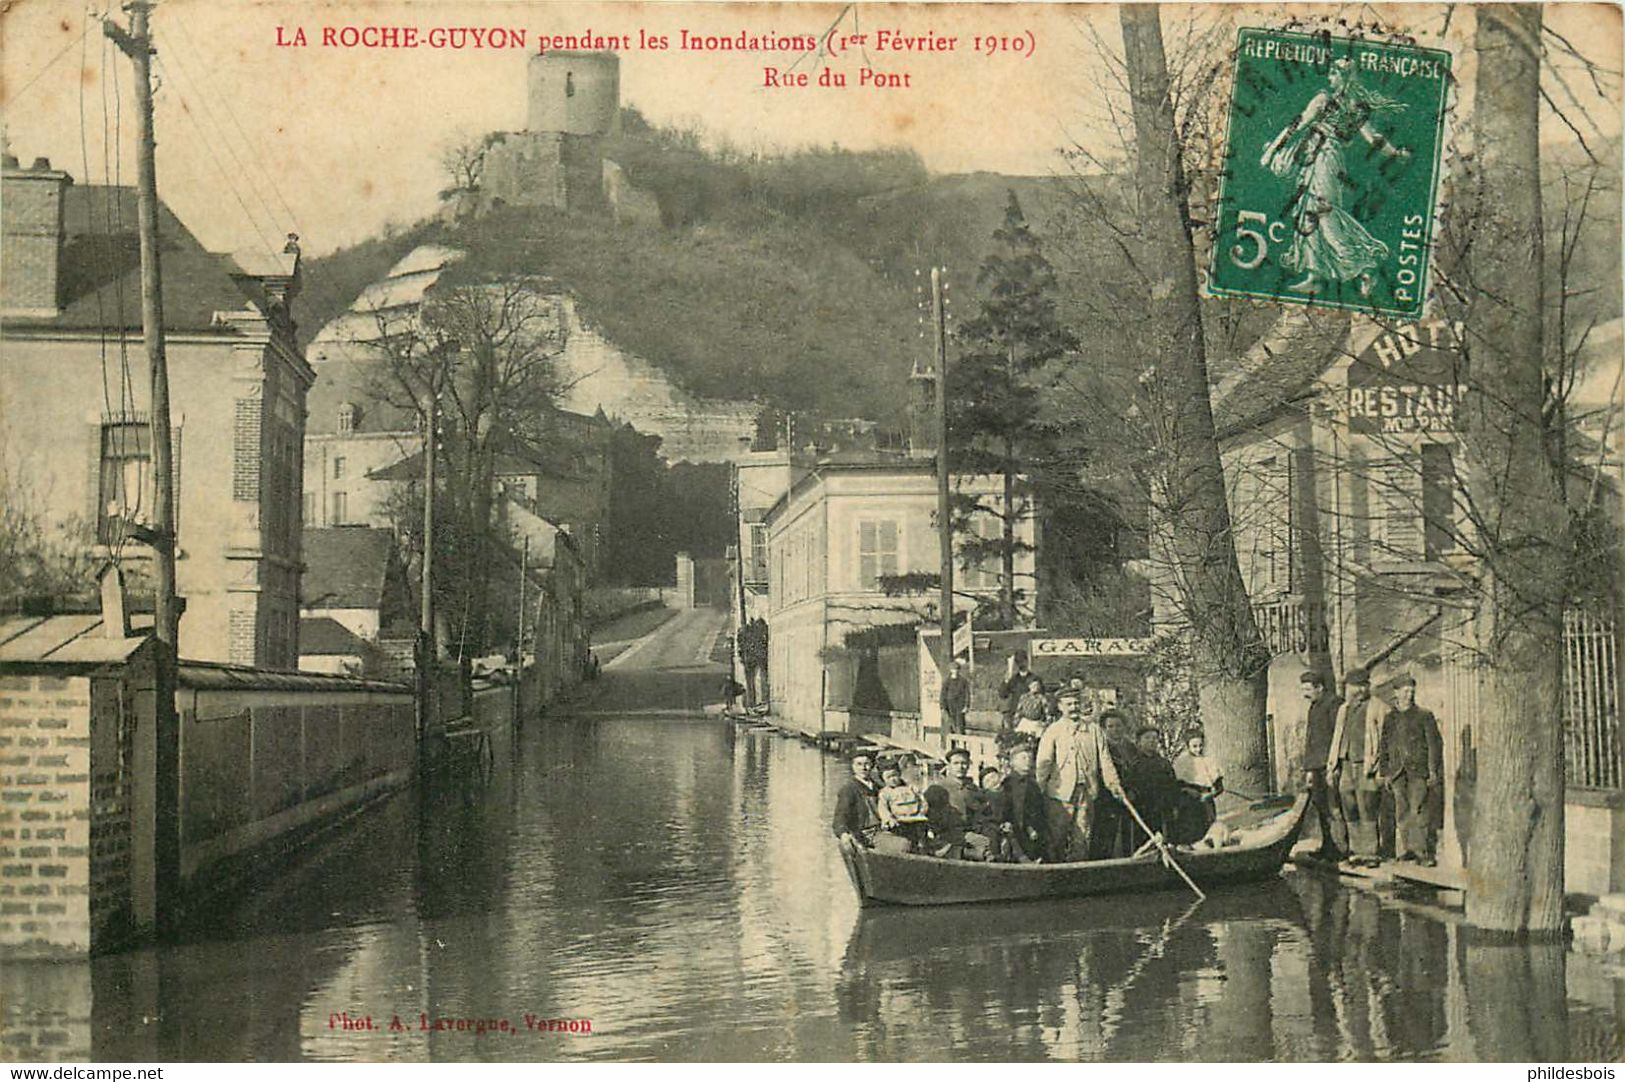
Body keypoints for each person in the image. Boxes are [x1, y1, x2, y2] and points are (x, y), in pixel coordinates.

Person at [1258, 56, 1412, 297]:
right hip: (1320, 156)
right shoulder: (1353, 106)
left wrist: (1272, 149)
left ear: (1343, 77)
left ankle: (1365, 266)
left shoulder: (1329, 101)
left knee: (1324, 211)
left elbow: (1297, 125)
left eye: (1333, 74)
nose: (1329, 78)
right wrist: (1395, 152)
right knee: (1308, 210)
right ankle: (1314, 276)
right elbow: (1374, 139)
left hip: (1323, 156)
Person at [1034, 687, 1130, 862]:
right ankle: (1054, 873)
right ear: (1060, 707)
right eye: (1069, 704)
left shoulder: (1093, 730)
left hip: (1086, 792)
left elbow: (1105, 762)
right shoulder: (1053, 731)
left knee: (1083, 835)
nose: (1074, 707)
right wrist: (1038, 790)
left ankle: (1076, 873)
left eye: (1076, 703)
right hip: (1059, 793)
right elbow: (1044, 763)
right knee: (1057, 836)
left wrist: (1114, 785)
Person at [1375, 674, 1443, 866]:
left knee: (1419, 810)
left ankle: (1423, 853)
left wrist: (1432, 771)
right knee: (1402, 811)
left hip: (1418, 771)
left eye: (1411, 691)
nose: (1408, 694)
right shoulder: (1390, 718)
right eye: (1405, 691)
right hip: (1397, 772)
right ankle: (1408, 850)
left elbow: (1434, 745)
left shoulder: (1424, 715)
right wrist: (1385, 772)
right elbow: (1384, 745)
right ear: (1396, 693)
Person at [1325, 667, 1385, 867]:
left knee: (1367, 806)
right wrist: (1333, 764)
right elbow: (1337, 737)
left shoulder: (1377, 707)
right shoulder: (1344, 709)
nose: (1357, 690)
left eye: (1361, 685)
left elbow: (1385, 740)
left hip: (1366, 764)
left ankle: (1370, 853)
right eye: (1353, 686)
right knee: (1349, 806)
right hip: (1346, 763)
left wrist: (1380, 768)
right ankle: (1355, 851)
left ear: (1368, 686)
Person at [1299, 670, 1346, 862]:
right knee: (1321, 807)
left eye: (1308, 689)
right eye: (1303, 689)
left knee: (1334, 807)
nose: (1305, 693)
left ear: (1320, 688)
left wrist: (1333, 765)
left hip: (1329, 764)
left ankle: (1341, 849)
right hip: (1316, 766)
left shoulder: (1334, 704)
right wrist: (1309, 769)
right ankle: (1328, 846)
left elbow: (1338, 736)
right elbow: (1311, 740)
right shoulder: (1314, 705)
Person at [998, 743, 1048, 863]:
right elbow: (1008, 809)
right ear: (1013, 762)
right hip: (1017, 830)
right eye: (1023, 758)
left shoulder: (1033, 784)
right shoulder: (1009, 783)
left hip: (1034, 829)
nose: (1028, 761)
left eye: (1030, 758)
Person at [877, 759, 931, 852]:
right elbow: (883, 808)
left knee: (922, 838)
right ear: (883, 779)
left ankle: (925, 850)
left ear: (899, 774)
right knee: (903, 840)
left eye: (895, 775)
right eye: (888, 777)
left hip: (916, 818)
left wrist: (922, 811)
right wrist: (888, 819)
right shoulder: (885, 793)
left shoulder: (910, 787)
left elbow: (922, 801)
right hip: (899, 821)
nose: (893, 779)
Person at [831, 751, 880, 847]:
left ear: (872, 766)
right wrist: (843, 834)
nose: (863, 768)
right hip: (863, 834)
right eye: (859, 764)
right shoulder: (849, 789)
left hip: (881, 830)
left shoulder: (878, 787)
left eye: (867, 764)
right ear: (853, 767)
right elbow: (840, 817)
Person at [1000, 651, 1035, 731]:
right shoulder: (1013, 679)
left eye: (1022, 661)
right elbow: (1003, 694)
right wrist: (1006, 681)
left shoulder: (1034, 679)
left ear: (1026, 661)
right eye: (1018, 662)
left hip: (1030, 715)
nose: (1021, 664)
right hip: (1015, 712)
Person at [940, 661, 971, 736]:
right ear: (950, 670)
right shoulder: (947, 681)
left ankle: (961, 744)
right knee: (950, 726)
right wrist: (943, 707)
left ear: (959, 670)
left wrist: (966, 706)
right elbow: (943, 694)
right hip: (949, 707)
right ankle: (951, 745)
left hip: (960, 706)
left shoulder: (963, 681)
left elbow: (967, 694)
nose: (955, 671)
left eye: (957, 669)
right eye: (953, 669)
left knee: (960, 726)